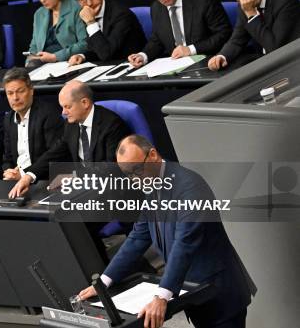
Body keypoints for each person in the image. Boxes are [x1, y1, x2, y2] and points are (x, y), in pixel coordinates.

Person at [77, 135, 256, 328]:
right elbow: (138, 237)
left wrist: (162, 295)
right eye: (128, 174)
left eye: (137, 170)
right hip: (192, 291)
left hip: (219, 293)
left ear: (152, 155)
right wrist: (104, 282)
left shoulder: (189, 187)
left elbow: (185, 243)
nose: (135, 180)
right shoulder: (151, 184)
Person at [9, 80, 130, 198]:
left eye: (67, 107)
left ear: (85, 103)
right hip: (83, 188)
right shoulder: (71, 124)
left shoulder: (112, 125)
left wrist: (75, 178)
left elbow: (111, 167)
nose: (64, 112)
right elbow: (55, 152)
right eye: (62, 107)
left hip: (108, 190)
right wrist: (29, 176)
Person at [128, 0, 231, 69]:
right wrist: (143, 55)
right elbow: (158, 40)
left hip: (208, 62)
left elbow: (224, 33)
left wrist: (190, 50)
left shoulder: (203, 1)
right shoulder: (156, 8)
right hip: (176, 67)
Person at [208, 0, 300, 71]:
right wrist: (221, 56)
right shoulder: (245, 4)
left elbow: (275, 48)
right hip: (263, 61)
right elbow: (237, 39)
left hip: (289, 63)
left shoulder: (285, 2)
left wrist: (251, 14)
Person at [68, 0, 146, 65]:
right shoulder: (87, 14)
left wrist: (91, 23)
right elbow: (98, 48)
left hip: (132, 65)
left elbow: (106, 53)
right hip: (110, 65)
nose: (89, 3)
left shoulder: (121, 14)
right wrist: (83, 56)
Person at [2, 68, 64, 181]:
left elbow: (54, 155)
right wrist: (9, 171)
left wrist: (25, 174)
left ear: (31, 90)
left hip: (42, 179)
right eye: (10, 93)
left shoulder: (48, 114)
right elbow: (7, 157)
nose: (15, 98)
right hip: (16, 179)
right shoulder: (9, 119)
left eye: (20, 91)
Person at [27, 0, 87, 67]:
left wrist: (55, 56)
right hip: (43, 64)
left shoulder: (75, 8)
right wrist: (29, 61)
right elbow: (34, 46)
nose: (42, 0)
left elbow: (84, 44)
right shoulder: (39, 14)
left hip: (68, 62)